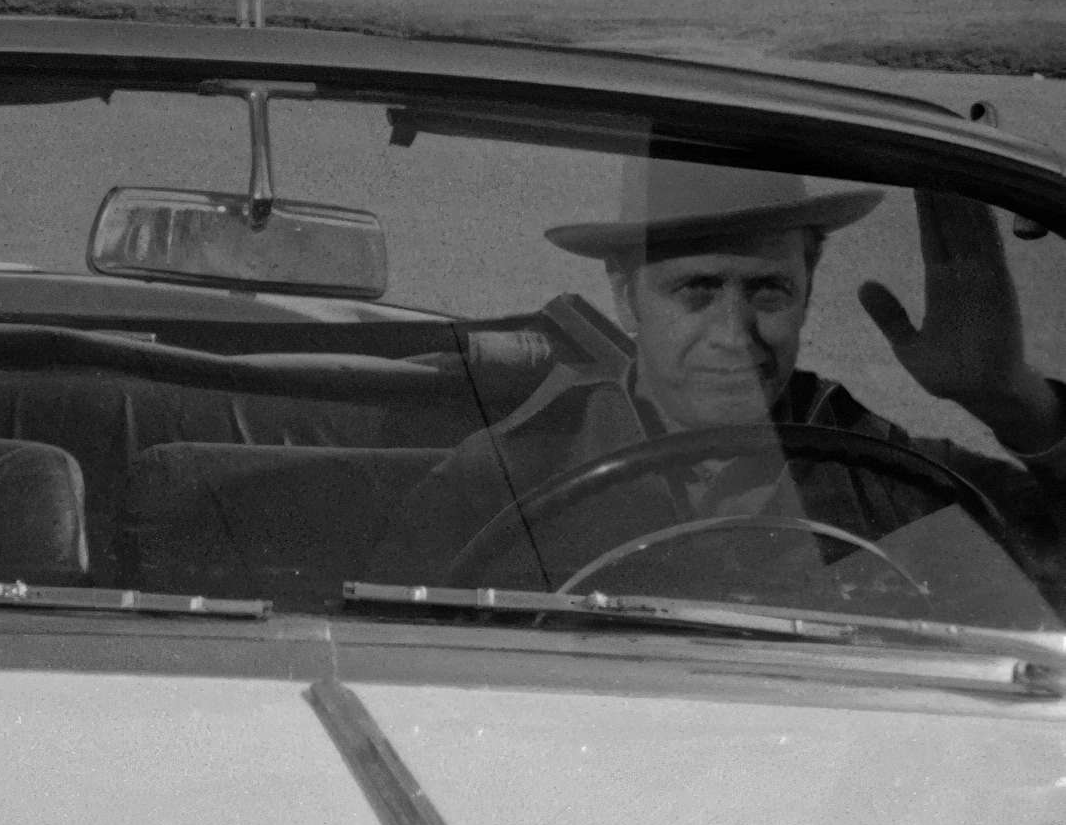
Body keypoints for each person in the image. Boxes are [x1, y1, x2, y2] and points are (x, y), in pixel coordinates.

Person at [365, 158, 1066, 598]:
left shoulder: (887, 472)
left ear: (809, 284)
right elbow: (395, 669)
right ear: (625, 295)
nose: (735, 336)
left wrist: (1011, 399)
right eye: (696, 290)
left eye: (768, 291)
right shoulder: (506, 478)